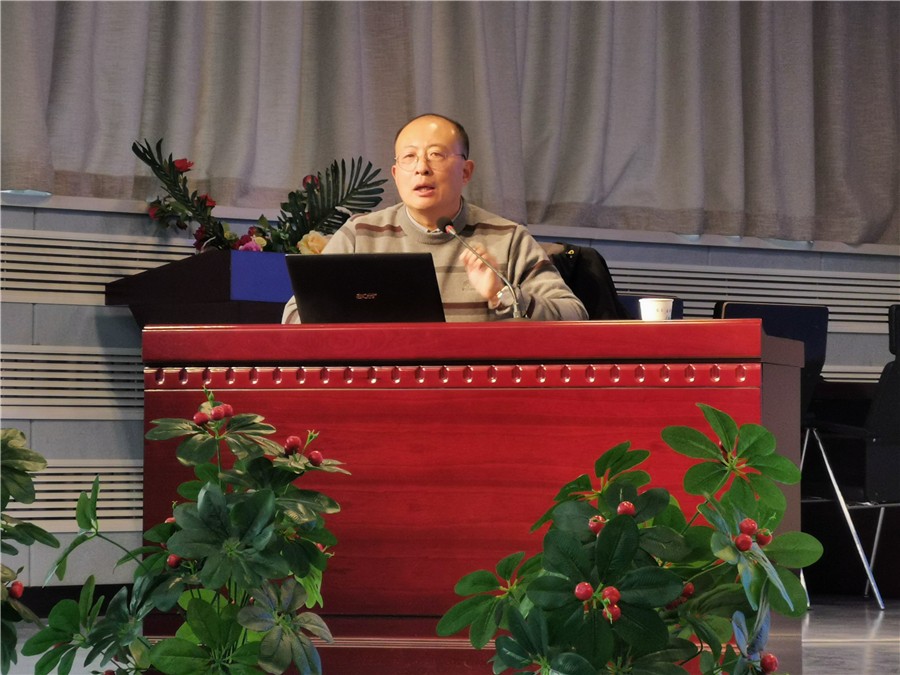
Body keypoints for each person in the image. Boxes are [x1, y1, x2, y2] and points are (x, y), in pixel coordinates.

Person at [282, 113, 587, 323]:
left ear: (466, 171)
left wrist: (501, 294)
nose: (422, 168)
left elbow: (574, 315)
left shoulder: (507, 238)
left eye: (436, 155)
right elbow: (295, 315)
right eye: (409, 157)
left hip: (474, 390)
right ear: (396, 174)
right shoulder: (360, 235)